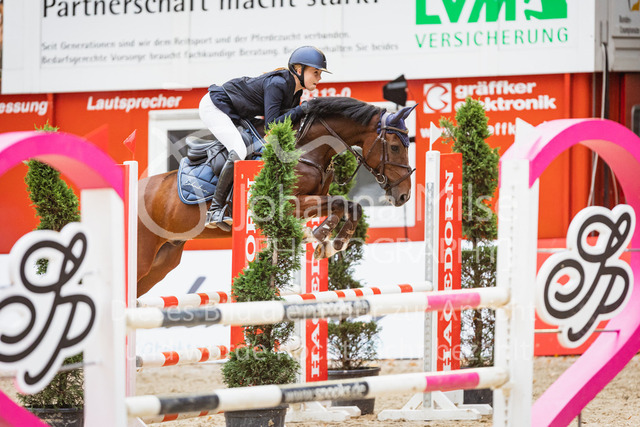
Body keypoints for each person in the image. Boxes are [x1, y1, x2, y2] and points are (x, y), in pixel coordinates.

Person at [199, 46, 330, 231]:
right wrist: (301, 109)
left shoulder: (296, 92)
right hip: (215, 106)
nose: (319, 78)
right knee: (239, 149)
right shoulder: (277, 84)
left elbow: (287, 123)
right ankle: (215, 209)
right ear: (299, 69)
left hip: (238, 113)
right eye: (316, 72)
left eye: (320, 73)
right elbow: (272, 126)